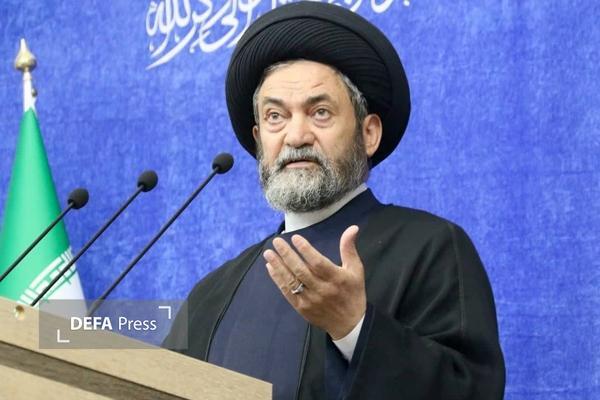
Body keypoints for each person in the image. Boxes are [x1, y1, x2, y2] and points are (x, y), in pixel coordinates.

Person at [163, 2, 505, 399]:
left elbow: (471, 391)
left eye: (320, 112)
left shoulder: (431, 249)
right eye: (275, 117)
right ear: (258, 140)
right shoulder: (212, 294)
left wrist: (354, 326)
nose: (296, 136)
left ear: (368, 133)